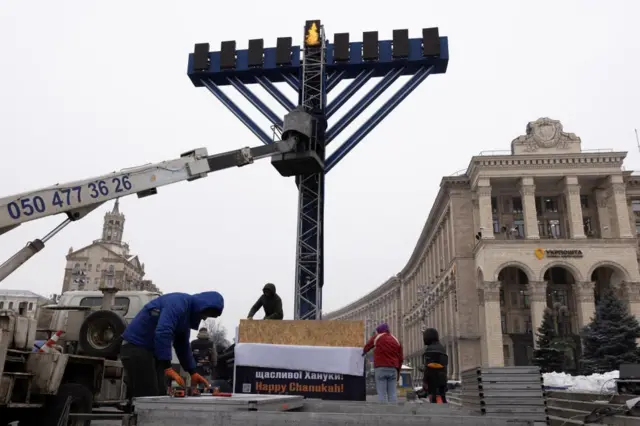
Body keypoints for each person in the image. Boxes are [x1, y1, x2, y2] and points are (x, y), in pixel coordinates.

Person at [120, 291, 224, 398]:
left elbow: (182, 344)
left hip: (150, 351)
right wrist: (167, 366)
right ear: (201, 307)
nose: (204, 318)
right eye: (206, 314)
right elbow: (163, 332)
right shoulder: (178, 303)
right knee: (148, 395)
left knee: (160, 394)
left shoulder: (185, 315)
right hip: (135, 347)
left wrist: (192, 372)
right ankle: (137, 413)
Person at [362, 323, 403, 403]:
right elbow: (401, 358)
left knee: (382, 394)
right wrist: (398, 372)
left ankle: (384, 414)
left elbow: (367, 346)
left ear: (379, 331)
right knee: (393, 394)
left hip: (381, 368)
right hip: (393, 369)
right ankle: (394, 414)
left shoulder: (378, 337)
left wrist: (363, 353)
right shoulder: (396, 340)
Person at [422, 328, 449, 403]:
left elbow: (428, 367)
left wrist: (424, 381)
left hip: (432, 380)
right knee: (442, 396)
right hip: (442, 378)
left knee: (433, 396)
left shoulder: (429, 349)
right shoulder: (442, 348)